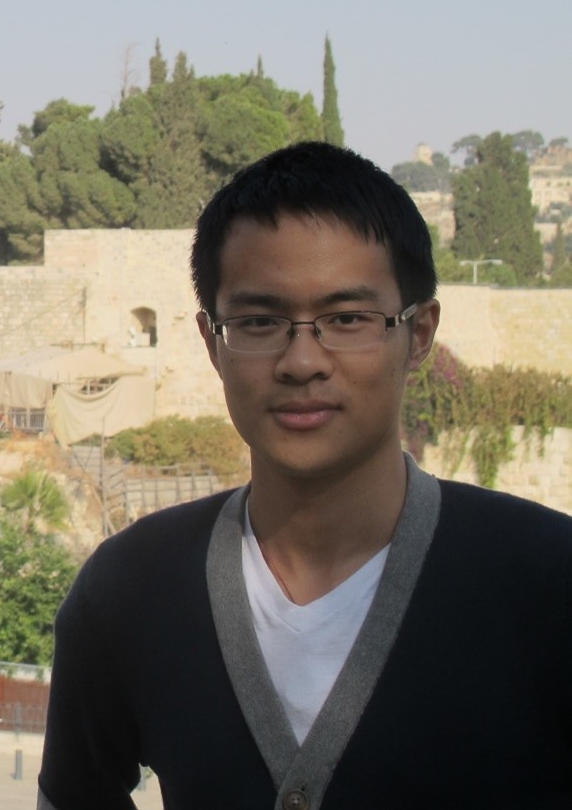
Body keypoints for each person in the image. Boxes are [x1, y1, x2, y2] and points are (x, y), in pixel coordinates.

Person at [37, 142, 572, 810]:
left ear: (420, 335)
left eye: (347, 319)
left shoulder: (548, 585)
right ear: (212, 343)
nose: (302, 360)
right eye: (260, 322)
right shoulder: (129, 591)